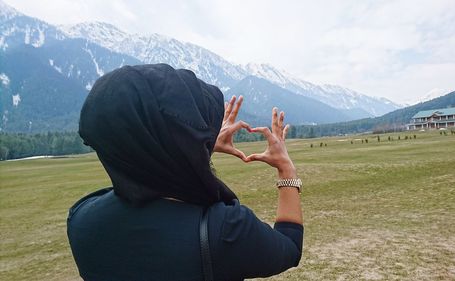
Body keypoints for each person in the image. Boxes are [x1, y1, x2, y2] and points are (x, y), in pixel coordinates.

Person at [67, 64, 303, 281]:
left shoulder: (81, 221)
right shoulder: (225, 232)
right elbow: (289, 248)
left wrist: (199, 149)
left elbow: (148, 171)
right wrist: (285, 168)